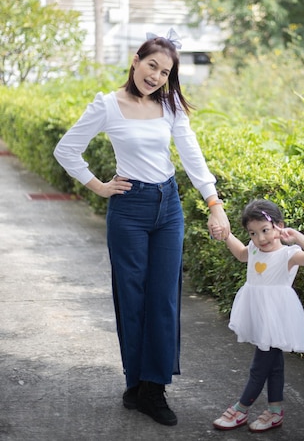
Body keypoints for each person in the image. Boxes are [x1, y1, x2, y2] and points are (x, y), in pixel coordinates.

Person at [53, 29, 230, 427]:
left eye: (165, 72)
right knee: (130, 297)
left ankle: (154, 388)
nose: (156, 76)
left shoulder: (170, 107)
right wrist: (98, 186)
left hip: (168, 208)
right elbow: (66, 149)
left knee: (164, 297)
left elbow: (191, 155)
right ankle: (135, 383)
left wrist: (214, 204)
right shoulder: (107, 105)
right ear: (136, 60)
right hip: (128, 210)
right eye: (152, 65)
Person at [211, 198, 304, 432]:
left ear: (279, 226)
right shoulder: (254, 247)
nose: (260, 238)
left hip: (276, 317)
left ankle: (241, 408)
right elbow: (242, 255)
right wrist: (226, 235)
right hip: (257, 313)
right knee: (274, 365)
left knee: (259, 366)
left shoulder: (289, 254)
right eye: (253, 233)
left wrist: (298, 237)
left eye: (265, 230)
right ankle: (275, 412)